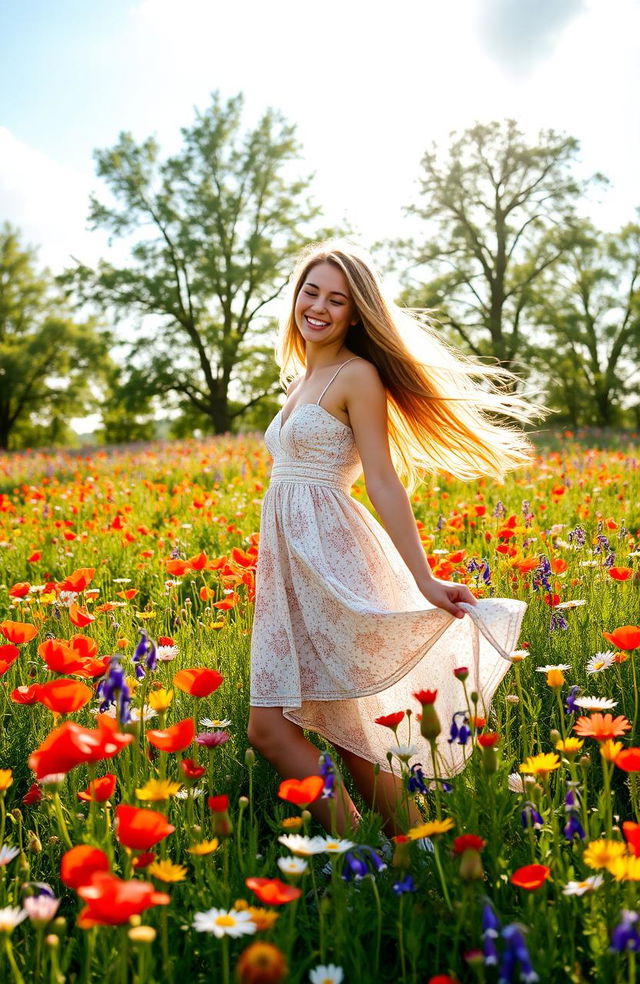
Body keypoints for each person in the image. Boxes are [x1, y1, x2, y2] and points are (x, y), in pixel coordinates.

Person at [247, 240, 548, 838]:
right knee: (319, 727)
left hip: (331, 557)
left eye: (337, 300)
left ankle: (388, 859)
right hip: (287, 565)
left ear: (356, 313)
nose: (320, 307)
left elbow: (382, 481)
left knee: (307, 727)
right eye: (311, 292)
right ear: (296, 297)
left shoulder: (357, 375)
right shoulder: (300, 380)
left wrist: (423, 577)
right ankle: (391, 858)